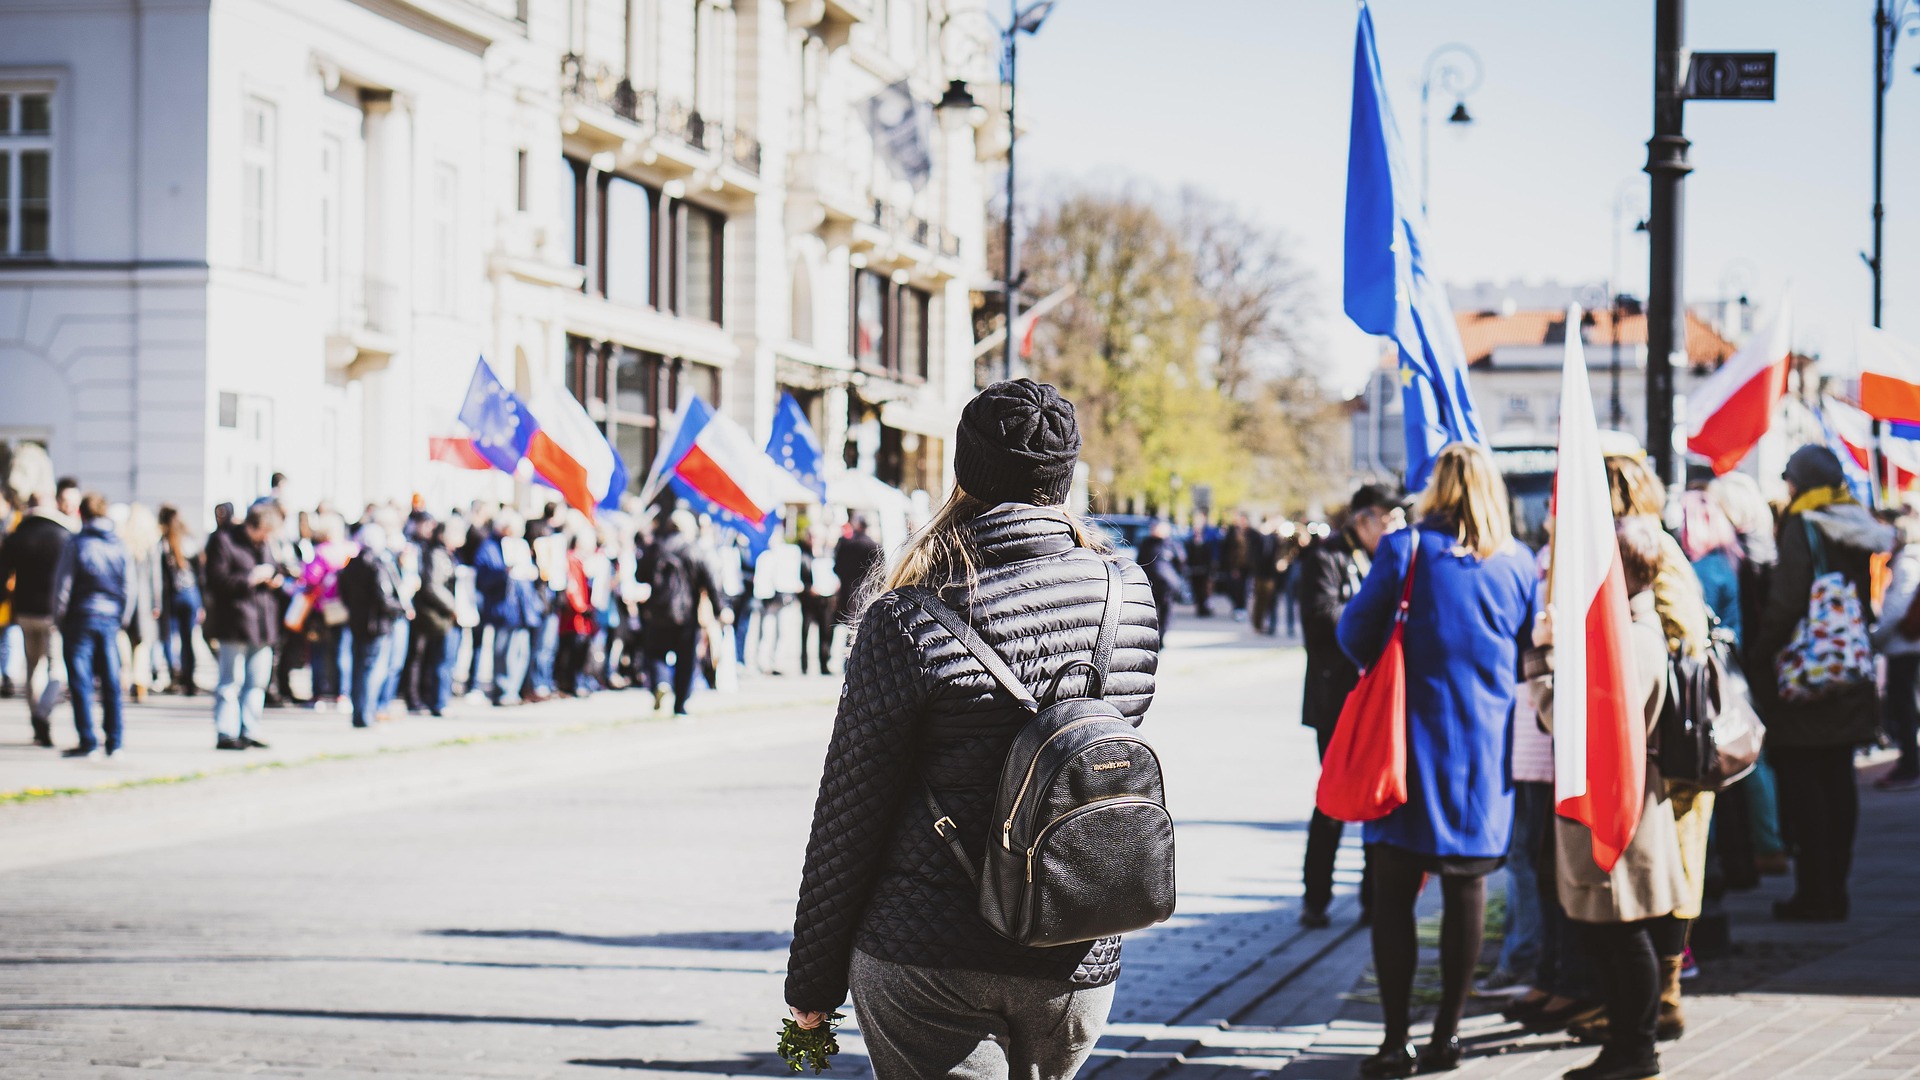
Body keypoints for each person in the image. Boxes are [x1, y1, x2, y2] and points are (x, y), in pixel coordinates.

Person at [785, 379, 1161, 1080]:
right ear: (1066, 475)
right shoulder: (1128, 595)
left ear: (965, 473)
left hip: (930, 952)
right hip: (1077, 945)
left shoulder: (908, 615)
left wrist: (811, 986)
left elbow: (850, 813)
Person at [1336, 443, 1536, 1078]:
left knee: (1393, 895)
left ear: (1437, 488)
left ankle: (1397, 1043)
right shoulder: (1518, 563)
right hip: (1484, 753)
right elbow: (1531, 645)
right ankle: (1448, 1035)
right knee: (1468, 887)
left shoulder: (1406, 549)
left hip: (1407, 746)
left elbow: (1353, 634)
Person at [1529, 516, 1691, 1080]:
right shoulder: (1632, 630)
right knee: (1616, 933)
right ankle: (1629, 1046)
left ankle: (1634, 1049)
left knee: (1622, 934)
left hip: (1620, 804)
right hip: (1626, 800)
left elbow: (1571, 721)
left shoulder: (1632, 640)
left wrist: (1543, 659)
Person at [1750, 445, 1894, 922]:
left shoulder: (1804, 524)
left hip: (1807, 674)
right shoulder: (1853, 519)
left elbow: (1789, 601)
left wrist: (1761, 651)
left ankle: (1816, 892)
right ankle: (1836, 886)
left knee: (1806, 785)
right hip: (1848, 670)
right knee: (1838, 780)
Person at [1295, 483, 1399, 929]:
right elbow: (1321, 620)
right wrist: (1372, 614)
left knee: (1379, 798)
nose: (1395, 528)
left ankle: (1374, 901)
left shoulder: (1388, 558)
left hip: (1377, 698)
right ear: (1365, 519)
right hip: (1335, 697)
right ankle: (1315, 898)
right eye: (1389, 519)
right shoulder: (1327, 557)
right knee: (1334, 798)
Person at [51, 492, 131, 758]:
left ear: (82, 514)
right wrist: (122, 618)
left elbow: (64, 585)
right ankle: (115, 740)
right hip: (109, 618)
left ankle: (88, 740)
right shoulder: (118, 544)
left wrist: (59, 617)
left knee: (81, 680)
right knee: (110, 680)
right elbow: (129, 586)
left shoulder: (77, 544)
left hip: (80, 617)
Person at [203, 503, 285, 750]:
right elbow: (215, 579)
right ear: (254, 526)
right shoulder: (223, 540)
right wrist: (249, 579)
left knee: (257, 681)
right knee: (231, 680)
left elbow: (276, 566)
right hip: (235, 620)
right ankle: (226, 731)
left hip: (263, 621)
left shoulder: (265, 544)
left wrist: (274, 577)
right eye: (265, 532)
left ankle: (250, 729)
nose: (267, 538)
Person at [0, 484, 76, 746]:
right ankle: (43, 713)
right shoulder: (64, 535)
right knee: (57, 667)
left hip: (24, 610)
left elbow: (3, 573)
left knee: (33, 666)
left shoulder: (17, 535)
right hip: (52, 612)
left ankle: (36, 716)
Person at [636, 509, 720, 715]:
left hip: (658, 611)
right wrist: (720, 608)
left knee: (655, 652)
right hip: (686, 613)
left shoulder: (656, 547)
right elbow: (710, 579)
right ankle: (680, 704)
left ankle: (660, 683)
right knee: (686, 660)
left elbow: (640, 574)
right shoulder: (694, 549)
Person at [337, 522, 408, 729]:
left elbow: (345, 593)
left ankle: (360, 713)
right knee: (372, 669)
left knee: (360, 667)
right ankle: (366, 713)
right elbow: (382, 598)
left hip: (358, 622)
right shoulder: (376, 565)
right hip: (375, 624)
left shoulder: (352, 564)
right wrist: (400, 609)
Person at [1872, 512, 1920, 789]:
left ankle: (1909, 766)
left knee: (1904, 708)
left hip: (1905, 644)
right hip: (1905, 644)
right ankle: (1909, 764)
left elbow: (1897, 608)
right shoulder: (1908, 562)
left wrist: (1877, 638)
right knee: (1905, 707)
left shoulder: (1908, 564)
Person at [406, 519, 459, 716]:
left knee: (433, 657)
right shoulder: (436, 554)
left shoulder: (447, 554)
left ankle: (429, 697)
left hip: (439, 612)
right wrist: (453, 606)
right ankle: (424, 698)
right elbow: (432, 585)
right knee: (428, 656)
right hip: (433, 613)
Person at [119, 503, 165, 702]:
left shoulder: (122, 542)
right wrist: (158, 602)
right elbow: (156, 577)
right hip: (145, 600)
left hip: (124, 597)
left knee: (125, 638)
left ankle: (126, 674)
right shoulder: (151, 543)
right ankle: (139, 679)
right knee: (143, 643)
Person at [157, 505, 203, 696]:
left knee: (168, 637)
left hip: (172, 596)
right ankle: (188, 677)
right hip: (190, 594)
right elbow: (200, 573)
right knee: (187, 638)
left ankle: (175, 673)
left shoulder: (163, 543)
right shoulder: (189, 540)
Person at [832, 515, 882, 642]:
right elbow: (881, 575)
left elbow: (837, 568)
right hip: (867, 595)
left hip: (847, 593)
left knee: (849, 628)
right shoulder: (875, 546)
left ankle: (846, 659)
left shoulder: (846, 545)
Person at [1136, 519, 1187, 640]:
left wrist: (1177, 580)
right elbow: (1140, 562)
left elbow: (1181, 563)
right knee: (1150, 612)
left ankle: (1162, 635)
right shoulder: (1146, 543)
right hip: (1149, 584)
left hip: (1167, 586)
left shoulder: (1172, 544)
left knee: (1165, 611)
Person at [797, 525, 838, 676]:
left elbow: (835, 573)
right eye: (811, 536)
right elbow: (798, 576)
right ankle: (804, 665)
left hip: (826, 599)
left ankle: (824, 663)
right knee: (806, 631)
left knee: (826, 632)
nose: (814, 540)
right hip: (809, 599)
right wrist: (808, 588)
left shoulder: (829, 553)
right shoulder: (802, 554)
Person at [1186, 511, 1217, 616]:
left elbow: (1210, 554)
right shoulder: (1190, 539)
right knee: (1196, 589)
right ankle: (1200, 607)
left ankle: (1204, 608)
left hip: (1204, 569)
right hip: (1194, 569)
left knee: (1204, 590)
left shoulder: (1208, 537)